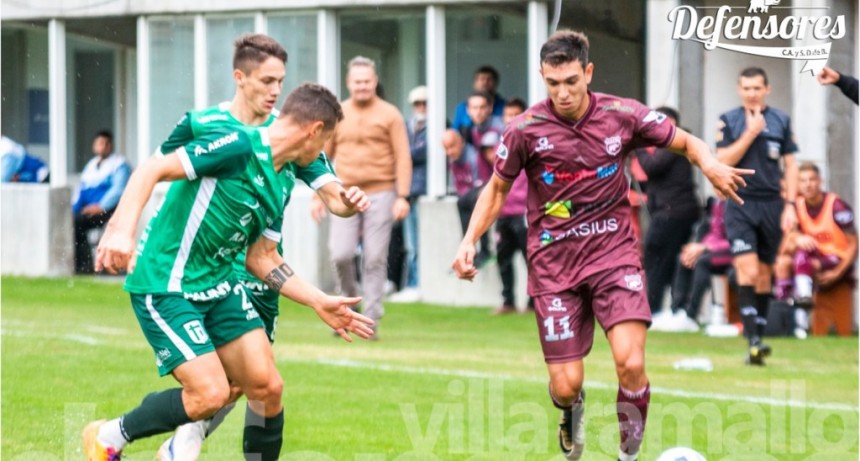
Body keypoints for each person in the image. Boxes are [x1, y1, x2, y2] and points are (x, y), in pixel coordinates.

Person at [451, 30, 750, 461]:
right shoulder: (525, 129)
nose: (564, 92)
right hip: (553, 265)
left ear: (588, 72)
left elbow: (684, 141)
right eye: (553, 84)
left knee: (631, 363)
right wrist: (468, 241)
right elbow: (496, 191)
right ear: (542, 78)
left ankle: (627, 456)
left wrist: (709, 162)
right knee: (566, 385)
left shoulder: (621, 114)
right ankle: (572, 411)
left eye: (572, 81)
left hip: (614, 255)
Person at [82, 83, 374, 461]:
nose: (323, 155)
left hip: (220, 286)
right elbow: (154, 167)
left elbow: (262, 258)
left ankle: (178, 447)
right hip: (169, 282)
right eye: (326, 142)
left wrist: (319, 301)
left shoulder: (282, 176)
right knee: (211, 394)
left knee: (266, 387)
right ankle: (109, 436)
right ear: (314, 130)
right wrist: (121, 230)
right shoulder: (236, 145)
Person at [152, 35, 370, 460]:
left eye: (280, 82)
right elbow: (160, 169)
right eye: (267, 80)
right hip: (216, 266)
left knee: (257, 383)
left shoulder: (294, 137)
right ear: (241, 78)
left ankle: (180, 441)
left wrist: (350, 200)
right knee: (247, 380)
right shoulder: (204, 124)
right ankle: (170, 441)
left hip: (264, 262)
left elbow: (333, 197)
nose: (274, 90)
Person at [312, 56, 411, 339]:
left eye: (367, 81)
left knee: (374, 258)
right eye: (357, 82)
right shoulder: (337, 112)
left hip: (381, 192)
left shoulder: (390, 114)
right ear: (348, 83)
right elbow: (323, 156)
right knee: (340, 254)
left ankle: (370, 321)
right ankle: (346, 310)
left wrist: (402, 196)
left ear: (375, 81)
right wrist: (320, 195)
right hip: (343, 193)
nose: (363, 87)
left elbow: (403, 156)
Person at [716, 66, 799, 366]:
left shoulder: (781, 120)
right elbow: (723, 159)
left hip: (773, 205)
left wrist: (790, 205)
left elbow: (790, 166)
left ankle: (758, 340)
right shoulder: (729, 120)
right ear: (740, 90)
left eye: (757, 88)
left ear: (767, 89)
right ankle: (752, 341)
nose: (751, 93)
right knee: (747, 271)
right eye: (746, 88)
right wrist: (751, 133)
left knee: (765, 276)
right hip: (740, 201)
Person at [773, 162, 857, 337]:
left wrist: (838, 272)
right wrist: (797, 237)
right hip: (810, 261)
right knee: (785, 262)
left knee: (801, 260)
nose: (808, 184)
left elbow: (854, 244)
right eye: (803, 181)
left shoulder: (836, 205)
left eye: (812, 179)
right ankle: (786, 318)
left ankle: (800, 320)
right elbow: (785, 248)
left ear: (820, 181)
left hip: (836, 259)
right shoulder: (796, 206)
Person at [634, 108, 700, 316]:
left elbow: (651, 167)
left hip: (672, 212)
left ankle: (655, 310)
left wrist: (638, 145)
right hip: (677, 211)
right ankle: (675, 309)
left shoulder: (676, 141)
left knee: (655, 258)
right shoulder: (677, 142)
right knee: (671, 261)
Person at [71, 130, 132, 274]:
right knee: (73, 221)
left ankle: (89, 266)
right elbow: (81, 190)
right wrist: (74, 208)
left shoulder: (119, 164)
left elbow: (118, 190)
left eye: (106, 143)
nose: (103, 147)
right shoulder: (90, 166)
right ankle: (82, 265)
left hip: (109, 210)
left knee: (79, 223)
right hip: (89, 209)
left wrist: (101, 206)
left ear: (110, 145)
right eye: (99, 143)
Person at [666, 198, 732, 330]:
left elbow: (734, 238)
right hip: (716, 249)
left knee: (702, 262)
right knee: (684, 258)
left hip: (734, 253)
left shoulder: (736, 204)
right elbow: (715, 234)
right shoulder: (717, 204)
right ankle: (678, 311)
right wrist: (698, 246)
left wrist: (705, 247)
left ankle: (692, 315)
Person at [389, 85, 428, 303]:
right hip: (405, 192)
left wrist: (401, 153)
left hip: (422, 191)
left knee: (418, 244)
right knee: (408, 244)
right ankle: (408, 283)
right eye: (418, 104)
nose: (421, 108)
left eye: (425, 103)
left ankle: (416, 284)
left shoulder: (436, 126)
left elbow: (417, 153)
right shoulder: (406, 126)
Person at [493, 97, 530, 315]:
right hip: (503, 211)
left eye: (515, 114)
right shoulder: (502, 142)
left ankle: (534, 304)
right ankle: (508, 301)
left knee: (531, 260)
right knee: (503, 259)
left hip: (524, 212)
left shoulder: (530, 142)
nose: (511, 119)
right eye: (508, 114)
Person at [451, 65, 505, 135]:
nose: (485, 83)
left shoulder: (504, 106)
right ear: (475, 82)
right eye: (482, 79)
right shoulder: (462, 107)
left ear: (495, 82)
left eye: (489, 79)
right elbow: (455, 133)